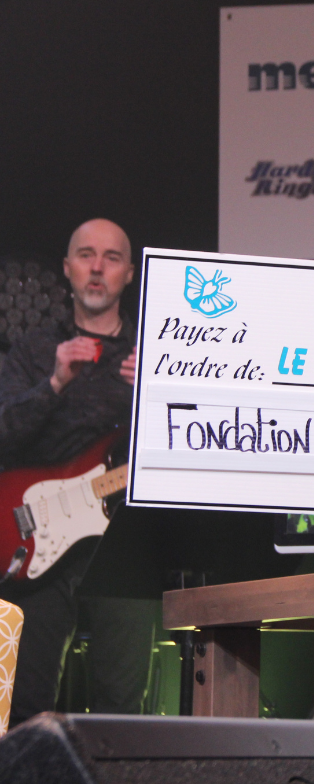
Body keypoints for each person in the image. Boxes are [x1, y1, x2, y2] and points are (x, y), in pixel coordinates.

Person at [0, 218, 154, 724]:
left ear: (129, 273)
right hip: (37, 539)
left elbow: (182, 442)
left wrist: (155, 395)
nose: (97, 267)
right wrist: (53, 383)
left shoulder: (152, 355)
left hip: (125, 544)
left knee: (122, 710)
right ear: (67, 268)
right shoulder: (34, 350)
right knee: (26, 707)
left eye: (112, 258)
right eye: (86, 255)